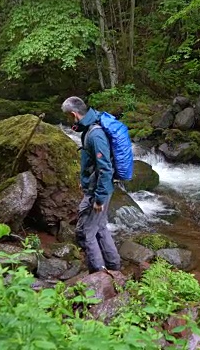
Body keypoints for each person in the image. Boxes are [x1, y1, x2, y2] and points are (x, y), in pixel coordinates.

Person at [61, 96, 121, 274]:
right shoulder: (90, 129)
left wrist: (99, 198)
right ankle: (114, 267)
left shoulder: (95, 135)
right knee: (101, 227)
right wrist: (85, 182)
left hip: (99, 191)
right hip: (96, 188)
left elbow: (105, 169)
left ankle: (99, 275)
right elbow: (92, 165)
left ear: (74, 114)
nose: (67, 121)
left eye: (67, 117)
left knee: (88, 233)